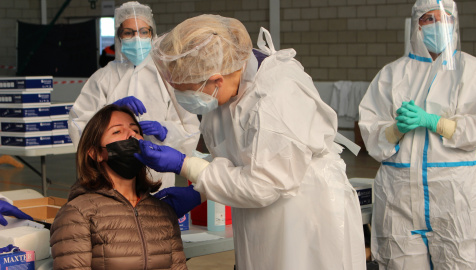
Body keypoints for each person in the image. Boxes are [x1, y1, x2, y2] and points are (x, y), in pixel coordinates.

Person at [135, 14, 366, 270]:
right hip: (266, 214)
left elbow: (262, 184)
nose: (184, 99)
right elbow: (242, 158)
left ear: (216, 79)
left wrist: (186, 167)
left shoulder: (275, 96)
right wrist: (199, 190)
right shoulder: (225, 92)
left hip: (304, 216)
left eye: (186, 90)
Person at [358, 0, 476, 269]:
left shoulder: (471, 71)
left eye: (445, 18)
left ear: (455, 24)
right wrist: (394, 130)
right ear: (416, 26)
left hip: (454, 201)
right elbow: (371, 133)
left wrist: (438, 123)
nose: (438, 25)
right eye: (429, 19)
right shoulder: (391, 75)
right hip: (398, 202)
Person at [68, 1, 200, 189]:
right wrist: (109, 112)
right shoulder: (103, 78)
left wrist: (166, 131)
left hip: (158, 177)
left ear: (152, 35)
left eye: (143, 32)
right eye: (129, 33)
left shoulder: (167, 77)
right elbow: (78, 123)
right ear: (119, 37)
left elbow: (191, 128)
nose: (137, 38)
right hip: (111, 177)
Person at [50, 104, 187, 270]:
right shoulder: (78, 213)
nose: (131, 135)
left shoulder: (162, 212)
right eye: (117, 131)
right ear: (96, 153)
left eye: (136, 131)